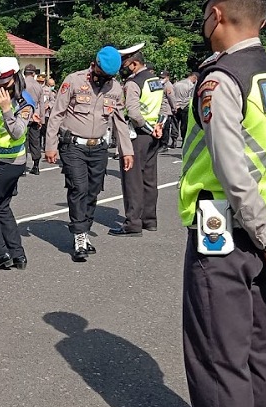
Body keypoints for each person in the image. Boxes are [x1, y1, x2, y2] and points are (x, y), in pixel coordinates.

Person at [180, 1, 266, 407]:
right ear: (264, 21)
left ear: (215, 14)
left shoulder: (220, 80)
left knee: (218, 358)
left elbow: (233, 171)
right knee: (257, 350)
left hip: (223, 229)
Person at [45, 46, 134, 262]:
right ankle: (79, 236)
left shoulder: (115, 88)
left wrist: (126, 151)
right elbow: (57, 113)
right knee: (79, 189)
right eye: (101, 76)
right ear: (94, 65)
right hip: (73, 145)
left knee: (93, 192)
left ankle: (84, 230)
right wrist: (50, 144)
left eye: (108, 78)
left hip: (99, 148)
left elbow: (120, 122)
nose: (103, 81)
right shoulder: (74, 81)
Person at [0, 57, 35, 271]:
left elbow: (18, 131)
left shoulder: (24, 101)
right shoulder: (0, 97)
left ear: (16, 78)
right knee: (1, 206)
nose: (1, 88)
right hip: (0, 158)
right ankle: (18, 255)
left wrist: (7, 109)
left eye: (6, 84)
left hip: (13, 161)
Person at [109, 43, 164, 236]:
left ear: (134, 64)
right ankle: (150, 220)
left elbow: (133, 111)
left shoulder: (133, 83)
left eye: (126, 63)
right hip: (153, 134)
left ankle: (133, 223)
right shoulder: (155, 80)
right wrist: (158, 127)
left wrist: (147, 128)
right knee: (149, 178)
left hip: (136, 135)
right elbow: (164, 106)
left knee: (132, 179)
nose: (123, 67)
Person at [22, 64, 44, 175]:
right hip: (35, 116)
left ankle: (21, 166)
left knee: (22, 142)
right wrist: (42, 120)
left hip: (22, 116)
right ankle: (36, 166)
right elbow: (42, 104)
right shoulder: (39, 86)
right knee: (35, 142)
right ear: (34, 74)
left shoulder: (21, 84)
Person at [173, 72, 198, 148]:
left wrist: (175, 105)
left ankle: (174, 141)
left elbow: (172, 96)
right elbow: (189, 97)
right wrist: (181, 105)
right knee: (184, 126)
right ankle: (184, 142)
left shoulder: (176, 84)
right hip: (184, 108)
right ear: (194, 77)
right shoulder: (191, 86)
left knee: (174, 125)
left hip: (175, 107)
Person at [157, 70, 178, 151]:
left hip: (165, 109)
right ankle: (159, 144)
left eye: (163, 77)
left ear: (168, 77)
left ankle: (164, 145)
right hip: (160, 109)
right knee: (160, 126)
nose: (161, 79)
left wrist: (174, 108)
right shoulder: (159, 84)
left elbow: (171, 98)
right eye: (160, 77)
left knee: (165, 128)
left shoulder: (168, 85)